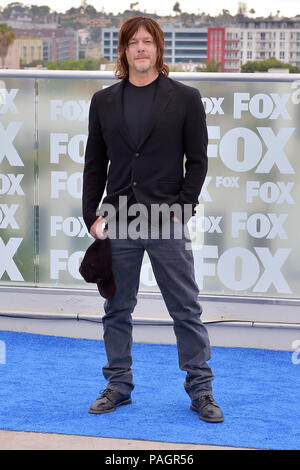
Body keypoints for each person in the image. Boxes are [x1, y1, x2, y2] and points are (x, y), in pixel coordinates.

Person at [82, 16, 224, 423]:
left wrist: (184, 207)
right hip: (119, 218)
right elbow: (95, 163)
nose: (141, 48)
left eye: (148, 42)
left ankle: (201, 390)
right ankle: (118, 386)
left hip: (166, 217)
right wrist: (91, 215)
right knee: (116, 308)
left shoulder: (185, 98)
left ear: (159, 50)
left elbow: (197, 161)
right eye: (133, 43)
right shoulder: (104, 100)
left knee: (185, 309)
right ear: (123, 51)